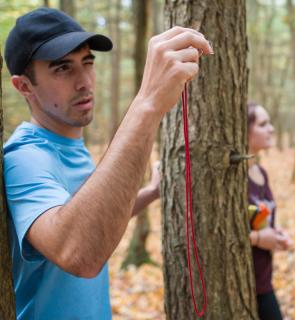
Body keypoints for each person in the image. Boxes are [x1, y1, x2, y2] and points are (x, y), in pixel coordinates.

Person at [3, 7, 213, 319]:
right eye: (63, 69)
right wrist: (147, 104)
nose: (84, 81)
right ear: (23, 86)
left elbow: (86, 213)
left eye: (87, 63)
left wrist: (150, 193)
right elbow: (78, 252)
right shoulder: (24, 158)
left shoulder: (69, 143)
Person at [247, 102, 293, 320]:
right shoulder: (234, 180)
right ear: (244, 131)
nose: (271, 129)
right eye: (263, 124)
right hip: (243, 283)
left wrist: (277, 235)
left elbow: (264, 218)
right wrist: (257, 239)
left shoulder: (261, 173)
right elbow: (216, 236)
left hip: (263, 281)